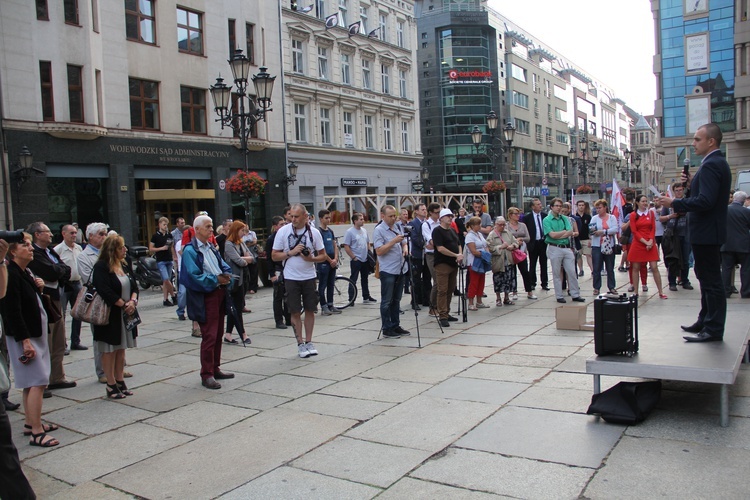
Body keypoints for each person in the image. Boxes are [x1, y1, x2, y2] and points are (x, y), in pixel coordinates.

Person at [659, 122, 732, 342]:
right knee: (705, 277)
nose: (693, 143)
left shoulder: (711, 165)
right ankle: (705, 319)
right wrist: (692, 184)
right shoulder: (715, 163)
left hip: (707, 232)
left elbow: (706, 201)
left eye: (698, 139)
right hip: (708, 231)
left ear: (711, 141)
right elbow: (707, 195)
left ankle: (713, 328)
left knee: (711, 281)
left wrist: (675, 202)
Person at [0, 233, 60, 448]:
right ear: (13, 251)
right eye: (25, 245)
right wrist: (24, 341)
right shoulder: (11, 274)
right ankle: (36, 432)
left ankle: (31, 423)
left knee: (32, 382)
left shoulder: (23, 271)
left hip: (35, 334)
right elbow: (12, 311)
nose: (30, 248)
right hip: (27, 337)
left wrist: (39, 287)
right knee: (37, 382)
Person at [181, 215, 235, 388]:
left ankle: (215, 368)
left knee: (218, 333)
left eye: (211, 226)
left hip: (219, 293)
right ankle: (206, 373)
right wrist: (216, 280)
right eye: (208, 226)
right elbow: (193, 276)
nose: (211, 229)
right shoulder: (190, 250)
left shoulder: (210, 246)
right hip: (206, 295)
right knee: (210, 335)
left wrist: (226, 275)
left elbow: (222, 264)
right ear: (196, 229)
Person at [25, 221, 76, 391]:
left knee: (59, 340)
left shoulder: (50, 251)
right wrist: (58, 271)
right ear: (37, 235)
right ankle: (43, 381)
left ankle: (57, 377)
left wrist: (58, 271)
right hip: (45, 299)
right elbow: (51, 273)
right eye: (47, 232)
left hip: (56, 297)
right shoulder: (35, 253)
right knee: (47, 340)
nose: (51, 234)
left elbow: (64, 270)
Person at [272, 204, 327, 358]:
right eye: (291, 216)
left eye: (296, 216)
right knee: (295, 311)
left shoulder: (314, 233)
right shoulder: (283, 232)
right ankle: (300, 343)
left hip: (309, 276)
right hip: (291, 277)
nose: (293, 219)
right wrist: (290, 253)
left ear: (305, 216)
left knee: (310, 309)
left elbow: (323, 255)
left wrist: (312, 259)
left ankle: (309, 341)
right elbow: (274, 255)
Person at [91, 235, 139, 399]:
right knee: (109, 350)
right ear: (112, 250)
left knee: (121, 350)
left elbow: (134, 284)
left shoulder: (124, 264)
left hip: (126, 313)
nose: (125, 250)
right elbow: (104, 289)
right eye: (121, 248)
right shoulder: (101, 267)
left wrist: (132, 301)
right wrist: (122, 304)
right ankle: (110, 384)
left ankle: (120, 380)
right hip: (110, 315)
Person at [77, 222, 111, 383]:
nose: (104, 237)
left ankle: (117, 367)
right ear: (90, 236)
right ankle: (102, 371)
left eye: (105, 234)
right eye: (100, 234)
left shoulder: (109, 253)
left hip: (112, 298)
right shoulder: (84, 256)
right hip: (97, 300)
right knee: (100, 337)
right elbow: (90, 279)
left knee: (116, 334)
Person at [373, 205, 410, 338]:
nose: (393, 218)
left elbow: (404, 241)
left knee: (396, 299)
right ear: (383, 216)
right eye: (390, 216)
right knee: (387, 301)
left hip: (400, 268)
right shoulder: (379, 230)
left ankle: (396, 325)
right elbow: (379, 251)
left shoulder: (398, 226)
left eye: (395, 215)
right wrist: (393, 241)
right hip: (388, 270)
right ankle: (387, 328)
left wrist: (405, 247)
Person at [543, 198, 584, 304]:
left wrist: (560, 234)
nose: (558, 208)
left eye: (560, 206)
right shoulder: (547, 220)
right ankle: (559, 295)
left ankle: (575, 294)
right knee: (557, 273)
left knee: (571, 271)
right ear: (551, 207)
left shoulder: (565, 218)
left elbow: (570, 232)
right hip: (554, 247)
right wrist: (563, 233)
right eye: (556, 206)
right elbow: (551, 235)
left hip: (566, 247)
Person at [54, 224, 86, 351]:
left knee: (78, 313)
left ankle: (75, 341)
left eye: (75, 233)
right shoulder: (58, 250)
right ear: (64, 234)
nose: (74, 235)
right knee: (61, 315)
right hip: (64, 285)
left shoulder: (78, 248)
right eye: (71, 233)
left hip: (77, 283)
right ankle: (63, 344)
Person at [628, 195, 667, 299]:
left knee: (654, 267)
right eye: (643, 201)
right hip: (638, 243)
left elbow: (653, 228)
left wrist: (650, 241)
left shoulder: (651, 213)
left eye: (646, 201)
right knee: (636, 267)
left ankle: (660, 292)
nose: (645, 203)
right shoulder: (633, 215)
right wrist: (645, 242)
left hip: (650, 242)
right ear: (637, 203)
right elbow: (634, 231)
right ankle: (636, 292)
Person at [432, 208, 463, 327]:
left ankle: (447, 311)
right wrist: (456, 255)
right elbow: (440, 248)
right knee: (442, 290)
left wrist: (459, 255)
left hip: (453, 264)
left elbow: (458, 244)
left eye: (451, 216)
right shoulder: (437, 231)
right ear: (441, 218)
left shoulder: (452, 230)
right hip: (442, 264)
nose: (450, 218)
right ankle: (442, 315)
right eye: (448, 216)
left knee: (450, 289)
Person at [222, 221, 253, 344]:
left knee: (235, 307)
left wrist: (245, 259)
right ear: (236, 230)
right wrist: (246, 259)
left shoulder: (240, 243)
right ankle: (243, 334)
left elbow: (252, 257)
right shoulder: (229, 244)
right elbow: (239, 261)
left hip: (243, 277)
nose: (244, 234)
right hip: (235, 279)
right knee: (237, 308)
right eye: (242, 231)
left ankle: (228, 334)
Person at [660, 183, 693, 291]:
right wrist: (671, 216)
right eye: (677, 190)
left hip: (685, 233)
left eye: (680, 190)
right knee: (673, 260)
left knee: (685, 260)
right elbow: (661, 218)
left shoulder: (687, 203)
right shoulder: (669, 204)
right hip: (672, 235)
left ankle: (685, 280)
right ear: (674, 192)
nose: (679, 192)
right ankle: (672, 282)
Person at [721, 191, 750, 298]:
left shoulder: (724, 211)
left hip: (727, 244)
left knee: (726, 268)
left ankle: (725, 290)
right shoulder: (746, 212)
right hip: (743, 245)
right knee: (746, 269)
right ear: (743, 201)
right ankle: (746, 291)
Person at [343, 213, 377, 304]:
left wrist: (368, 253)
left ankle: (366, 297)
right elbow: (346, 246)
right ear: (355, 221)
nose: (363, 221)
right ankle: (351, 298)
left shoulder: (364, 231)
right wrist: (353, 257)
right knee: (353, 278)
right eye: (361, 219)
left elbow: (367, 242)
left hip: (365, 259)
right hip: (356, 259)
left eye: (363, 219)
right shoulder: (350, 232)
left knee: (364, 279)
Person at [487, 217, 519, 306]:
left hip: (508, 260)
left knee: (508, 279)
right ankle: (498, 298)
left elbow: (515, 242)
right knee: (498, 280)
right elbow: (490, 248)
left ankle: (506, 297)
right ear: (495, 225)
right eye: (500, 224)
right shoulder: (492, 235)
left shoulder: (507, 232)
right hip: (498, 262)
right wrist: (501, 247)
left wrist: (512, 246)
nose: (502, 226)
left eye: (503, 224)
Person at [266, 216, 291, 329]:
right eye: (281, 224)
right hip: (277, 269)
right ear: (275, 226)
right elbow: (269, 258)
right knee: (278, 296)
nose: (283, 226)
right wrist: (272, 274)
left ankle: (288, 318)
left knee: (288, 294)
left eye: (284, 224)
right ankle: (279, 320)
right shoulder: (271, 239)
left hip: (286, 269)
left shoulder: (285, 236)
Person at [589, 199, 619, 295]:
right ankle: (596, 287)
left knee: (610, 267)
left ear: (605, 207)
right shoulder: (594, 218)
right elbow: (591, 230)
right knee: (597, 267)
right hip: (597, 245)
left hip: (609, 245)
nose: (598, 210)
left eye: (600, 208)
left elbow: (615, 229)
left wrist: (603, 232)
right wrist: (594, 233)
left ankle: (611, 286)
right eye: (597, 208)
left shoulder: (611, 217)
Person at [316, 210, 342, 316]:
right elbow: (320, 249)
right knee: (322, 285)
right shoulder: (319, 232)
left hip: (332, 261)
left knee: (331, 284)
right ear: (321, 219)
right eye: (326, 218)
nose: (328, 220)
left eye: (329, 217)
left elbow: (334, 244)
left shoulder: (330, 231)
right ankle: (324, 306)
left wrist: (335, 258)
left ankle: (331, 304)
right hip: (323, 262)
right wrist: (329, 260)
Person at [506, 207, 534, 300]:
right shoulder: (506, 226)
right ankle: (514, 291)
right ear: (510, 215)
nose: (518, 216)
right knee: (512, 272)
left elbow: (528, 238)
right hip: (511, 252)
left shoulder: (523, 225)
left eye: (519, 214)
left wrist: (521, 239)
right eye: (516, 214)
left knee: (525, 271)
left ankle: (529, 291)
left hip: (521, 251)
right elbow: (505, 238)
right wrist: (514, 241)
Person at [149, 217, 177, 307]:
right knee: (166, 279)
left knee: (166, 281)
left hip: (169, 259)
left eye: (166, 225)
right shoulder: (155, 236)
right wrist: (161, 248)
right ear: (159, 225)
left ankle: (165, 299)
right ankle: (173, 295)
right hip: (161, 260)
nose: (165, 226)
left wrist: (174, 256)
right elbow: (151, 248)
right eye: (164, 224)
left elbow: (172, 246)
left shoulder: (169, 235)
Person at [464, 216, 489, 309]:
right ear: (473, 225)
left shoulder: (479, 234)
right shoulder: (469, 236)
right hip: (474, 261)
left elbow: (485, 245)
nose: (480, 226)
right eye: (478, 224)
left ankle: (479, 301)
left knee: (481, 281)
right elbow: (473, 250)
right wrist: (484, 254)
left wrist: (487, 254)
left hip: (482, 260)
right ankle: (471, 302)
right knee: (474, 281)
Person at [524, 198, 549, 291]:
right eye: (538, 204)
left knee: (544, 263)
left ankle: (544, 283)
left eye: (540, 204)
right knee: (532, 264)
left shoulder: (545, 216)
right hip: (533, 243)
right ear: (532, 207)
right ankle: (532, 283)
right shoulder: (527, 218)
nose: (540, 205)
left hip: (543, 242)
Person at [407, 203, 429, 310]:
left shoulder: (427, 223)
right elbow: (414, 238)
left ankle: (426, 299)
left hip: (426, 254)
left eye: (425, 209)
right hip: (417, 254)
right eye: (422, 209)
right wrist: (424, 244)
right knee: (415, 279)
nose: (424, 211)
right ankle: (414, 301)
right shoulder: (413, 223)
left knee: (427, 278)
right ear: (416, 211)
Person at [422, 202, 441, 313]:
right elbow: (431, 240)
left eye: (439, 212)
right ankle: (433, 306)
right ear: (430, 213)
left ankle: (441, 306)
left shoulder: (440, 223)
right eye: (436, 213)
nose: (438, 215)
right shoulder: (426, 225)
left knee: (442, 282)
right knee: (437, 281)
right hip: (431, 255)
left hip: (441, 253)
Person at [576, 201, 593, 276]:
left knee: (588, 254)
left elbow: (591, 229)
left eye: (582, 205)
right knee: (579, 255)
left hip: (586, 238)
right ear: (577, 206)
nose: (581, 207)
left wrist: (591, 239)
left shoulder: (588, 217)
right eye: (579, 205)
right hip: (578, 239)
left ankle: (593, 270)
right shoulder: (574, 217)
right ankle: (581, 270)